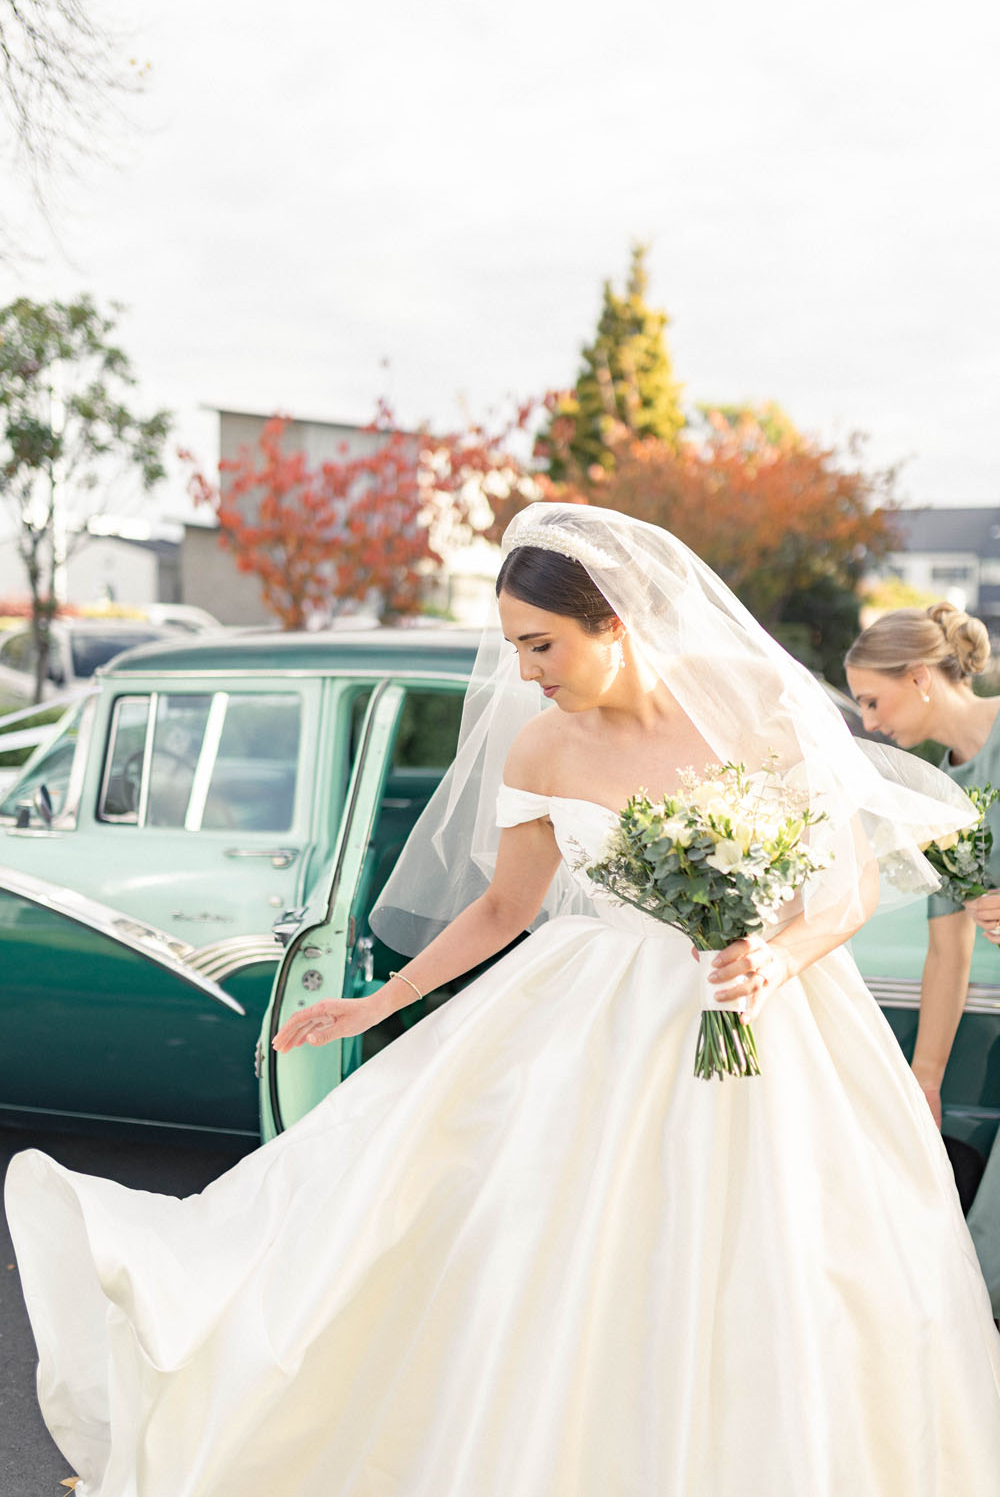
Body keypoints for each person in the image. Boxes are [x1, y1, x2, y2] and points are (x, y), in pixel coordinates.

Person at [7, 504, 1000, 1497]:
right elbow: (502, 908)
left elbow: (850, 888)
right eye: (514, 648)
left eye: (542, 643)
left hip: (774, 1024)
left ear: (618, 618)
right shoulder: (541, 751)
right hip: (593, 1023)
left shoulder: (759, 707)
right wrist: (378, 1002)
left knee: (786, 1266)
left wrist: (779, 957)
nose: (527, 671)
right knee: (520, 1248)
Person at [846, 601, 1000, 1312]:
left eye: (873, 701)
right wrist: (925, 1080)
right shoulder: (940, 790)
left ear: (919, 678)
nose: (872, 724)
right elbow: (949, 946)